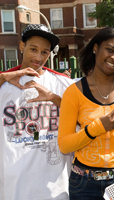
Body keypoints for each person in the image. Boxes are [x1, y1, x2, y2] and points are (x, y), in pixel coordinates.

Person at [57, 27, 114, 200]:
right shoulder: (74, 92)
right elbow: (64, 145)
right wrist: (97, 127)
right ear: (95, 48)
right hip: (83, 184)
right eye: (109, 49)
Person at [0, 24, 74, 200]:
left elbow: (85, 119)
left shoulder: (63, 84)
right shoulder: (4, 85)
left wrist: (53, 97)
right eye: (33, 49)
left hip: (56, 189)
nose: (38, 57)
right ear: (22, 46)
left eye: (45, 52)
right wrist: (3, 77)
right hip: (14, 187)